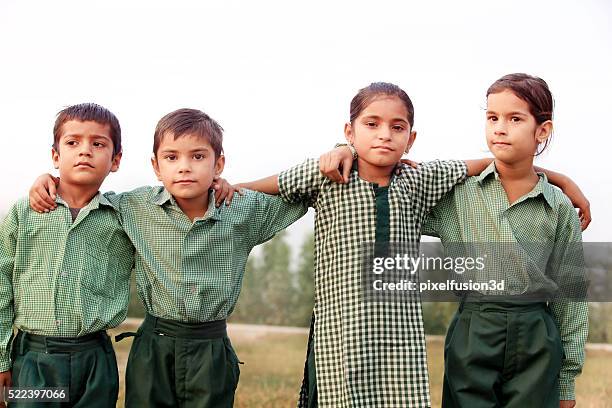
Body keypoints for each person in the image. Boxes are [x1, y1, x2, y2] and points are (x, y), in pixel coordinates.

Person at [28, 108, 308, 408]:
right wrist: (50, 181)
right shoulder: (134, 207)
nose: (184, 167)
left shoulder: (241, 211)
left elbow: (304, 190)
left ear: (219, 164)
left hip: (210, 346)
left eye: (198, 157)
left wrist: (340, 153)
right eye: (172, 157)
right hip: (153, 346)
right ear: (156, 166)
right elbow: (81, 197)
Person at [420, 73, 588, 408]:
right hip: (473, 331)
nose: (500, 128)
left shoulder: (557, 207)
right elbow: (396, 185)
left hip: (537, 337)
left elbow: (572, 297)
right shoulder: (456, 196)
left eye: (514, 119)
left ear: (542, 131)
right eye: (492, 118)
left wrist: (566, 382)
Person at [0, 103, 134, 408]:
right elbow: (1, 284)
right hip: (33, 362)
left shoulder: (125, 216)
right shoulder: (25, 212)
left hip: (95, 361)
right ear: (56, 156)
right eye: (73, 142)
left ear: (116, 160)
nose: (84, 151)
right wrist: (1, 360)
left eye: (97, 143)